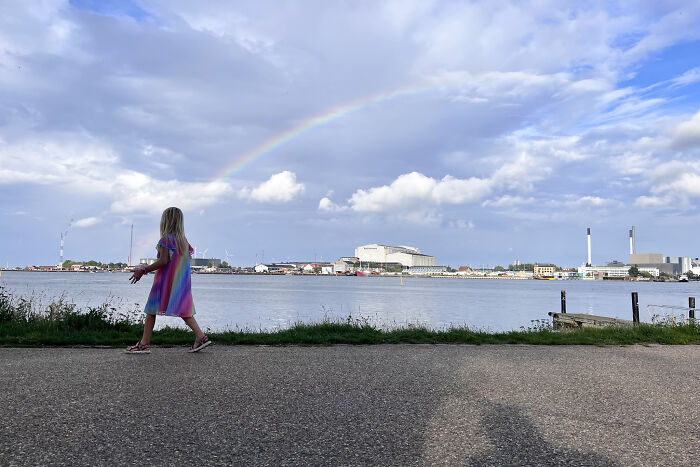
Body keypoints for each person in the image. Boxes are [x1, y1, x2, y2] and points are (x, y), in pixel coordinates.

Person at [125, 207, 211, 354]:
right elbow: (183, 261)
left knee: (151, 310)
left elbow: (163, 261)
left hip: (164, 283)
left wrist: (143, 270)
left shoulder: (166, 240)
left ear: (165, 221)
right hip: (181, 283)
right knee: (185, 311)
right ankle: (201, 337)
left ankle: (144, 344)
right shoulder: (183, 242)